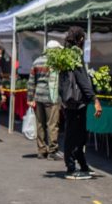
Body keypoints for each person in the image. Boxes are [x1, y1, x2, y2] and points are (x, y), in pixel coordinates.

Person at [60, 26, 102, 180]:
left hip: (69, 100)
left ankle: (81, 164)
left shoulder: (65, 54)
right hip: (77, 101)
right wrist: (95, 99)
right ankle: (70, 167)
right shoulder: (75, 55)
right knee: (74, 134)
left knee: (77, 133)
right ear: (81, 39)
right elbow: (82, 80)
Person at [27, 40, 63, 160]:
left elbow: (31, 81)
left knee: (40, 124)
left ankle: (41, 150)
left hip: (39, 96)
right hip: (52, 97)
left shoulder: (37, 61)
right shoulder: (57, 62)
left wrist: (30, 98)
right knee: (52, 124)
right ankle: (53, 150)